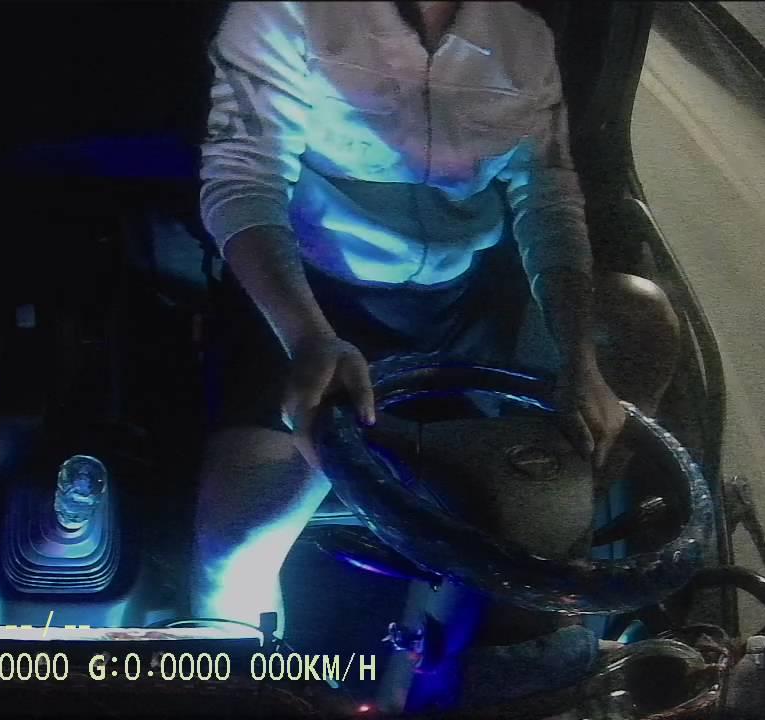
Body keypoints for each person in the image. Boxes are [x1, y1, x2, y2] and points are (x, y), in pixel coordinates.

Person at [191, 0, 680, 703]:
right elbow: (243, 183)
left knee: (638, 318)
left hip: (464, 302)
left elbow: (547, 198)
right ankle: (244, 677)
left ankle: (558, 625)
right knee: (234, 547)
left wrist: (579, 356)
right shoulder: (280, 16)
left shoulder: (523, 40)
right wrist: (307, 336)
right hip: (310, 299)